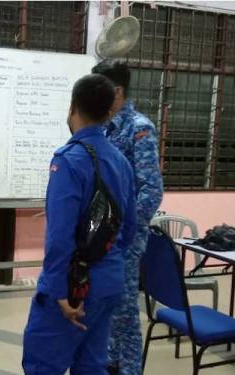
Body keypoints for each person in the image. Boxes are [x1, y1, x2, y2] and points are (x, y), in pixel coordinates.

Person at [22, 74, 137, 374]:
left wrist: (61, 292)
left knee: (42, 364)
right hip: (110, 280)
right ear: (110, 111)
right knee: (91, 365)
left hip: (73, 288)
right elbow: (129, 229)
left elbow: (60, 238)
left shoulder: (69, 160)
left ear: (73, 108)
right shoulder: (120, 161)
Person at [92, 60, 164, 375]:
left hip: (126, 238)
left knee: (124, 310)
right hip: (103, 235)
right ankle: (109, 362)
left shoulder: (139, 127)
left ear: (117, 91)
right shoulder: (104, 127)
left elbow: (151, 190)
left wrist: (122, 229)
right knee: (106, 304)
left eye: (101, 89)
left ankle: (129, 369)